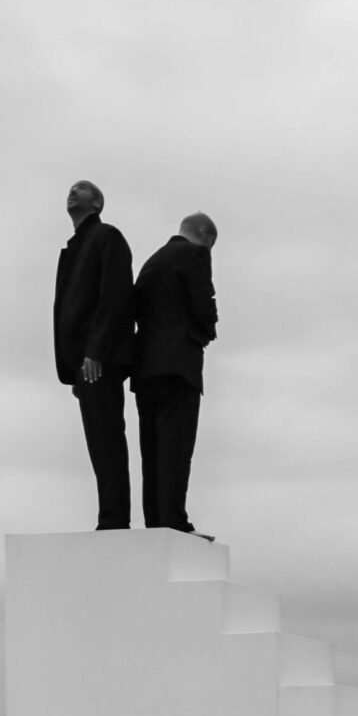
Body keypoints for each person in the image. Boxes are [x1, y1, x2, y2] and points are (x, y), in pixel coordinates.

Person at [53, 180, 134, 529]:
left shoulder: (107, 237)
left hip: (98, 361)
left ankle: (114, 521)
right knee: (99, 442)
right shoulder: (75, 246)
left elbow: (115, 296)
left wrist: (95, 352)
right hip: (84, 366)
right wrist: (73, 369)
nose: (72, 192)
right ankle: (110, 518)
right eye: (71, 189)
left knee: (107, 438)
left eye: (82, 189)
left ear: (98, 203)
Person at [132, 213, 218, 539]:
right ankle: (175, 523)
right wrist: (207, 330)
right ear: (203, 236)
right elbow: (202, 303)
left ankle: (156, 523)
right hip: (179, 365)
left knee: (152, 452)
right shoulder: (195, 255)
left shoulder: (151, 262)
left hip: (147, 368)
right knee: (176, 448)